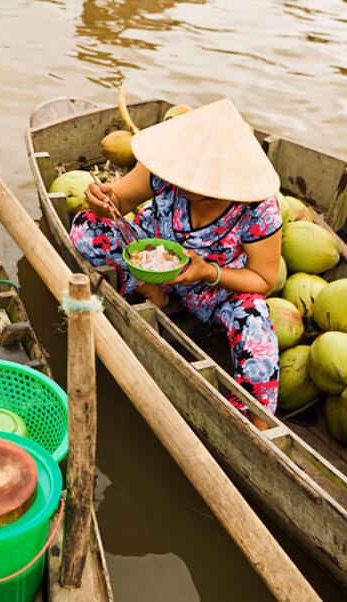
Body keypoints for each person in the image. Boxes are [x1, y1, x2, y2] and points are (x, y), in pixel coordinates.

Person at [69, 98, 282, 430]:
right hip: (150, 262)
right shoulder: (163, 170)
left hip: (214, 289)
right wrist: (102, 200)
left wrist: (208, 272)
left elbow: (264, 280)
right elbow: (118, 202)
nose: (181, 182)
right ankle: (154, 293)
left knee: (257, 327)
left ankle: (257, 425)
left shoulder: (259, 209)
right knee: (86, 227)